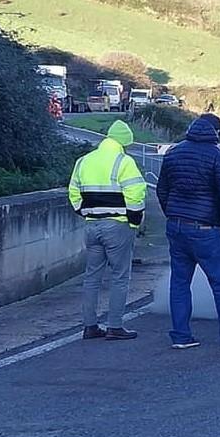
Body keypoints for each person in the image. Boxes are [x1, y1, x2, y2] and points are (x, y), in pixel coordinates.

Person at [156, 113, 220, 350]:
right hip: (206, 229)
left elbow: (162, 190)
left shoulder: (173, 153)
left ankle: (181, 336)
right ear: (216, 132)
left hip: (177, 226)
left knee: (180, 282)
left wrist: (172, 215)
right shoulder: (216, 155)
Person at [68, 120, 146, 340]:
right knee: (120, 277)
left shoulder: (83, 161)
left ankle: (90, 326)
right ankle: (115, 326)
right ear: (124, 142)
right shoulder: (124, 161)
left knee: (91, 277)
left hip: (92, 225)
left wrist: (84, 212)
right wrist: (134, 220)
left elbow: (73, 192)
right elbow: (136, 193)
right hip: (118, 226)